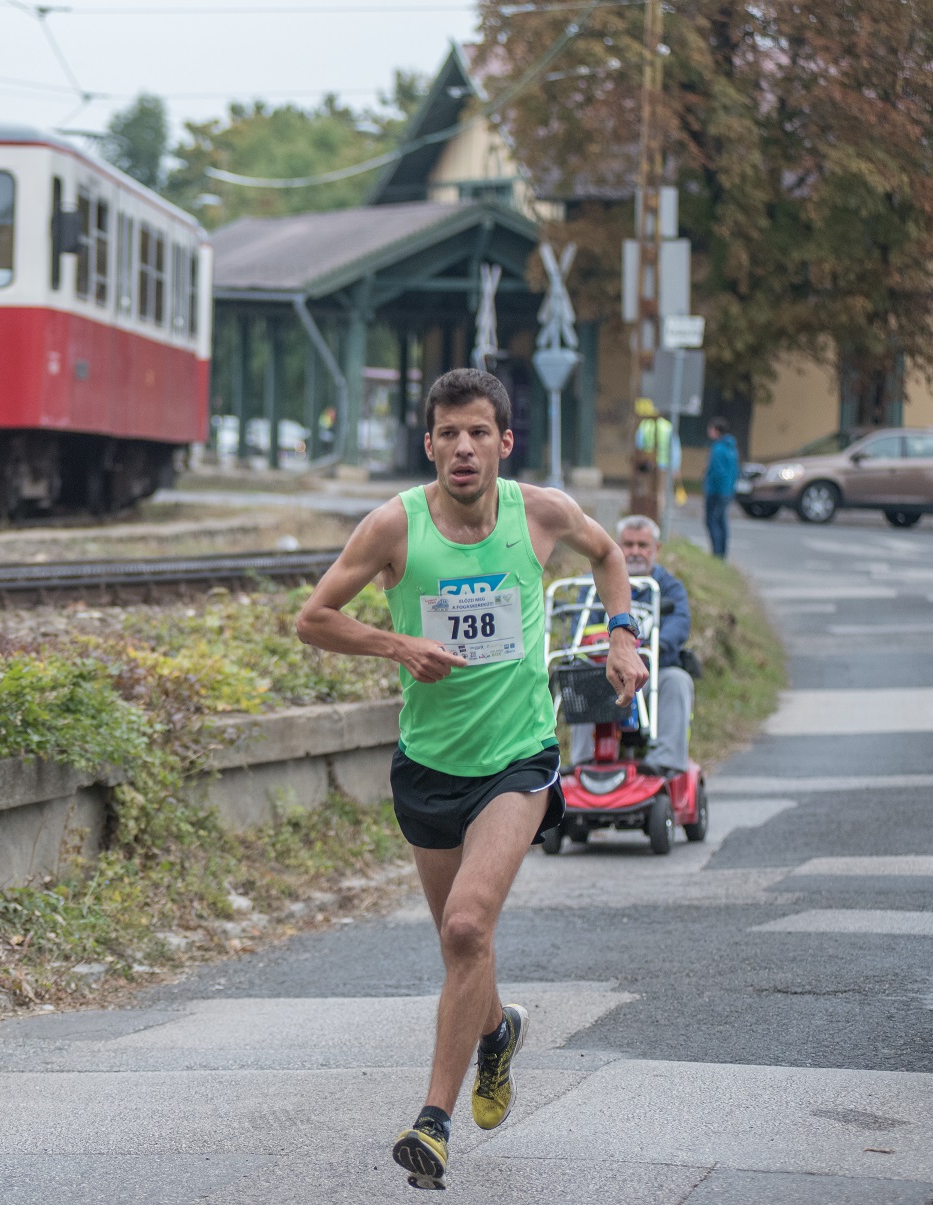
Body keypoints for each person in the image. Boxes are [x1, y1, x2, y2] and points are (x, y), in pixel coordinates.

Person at [296, 368, 647, 1191]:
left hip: (516, 758)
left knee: (463, 929)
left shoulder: (541, 513)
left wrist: (622, 635)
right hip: (427, 765)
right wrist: (397, 646)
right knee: (465, 948)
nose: (462, 447)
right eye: (447, 433)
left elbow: (607, 556)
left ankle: (433, 1123)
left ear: (503, 443)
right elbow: (313, 618)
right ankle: (496, 1031)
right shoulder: (393, 527)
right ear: (428, 445)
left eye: (477, 432)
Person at [568, 515, 694, 778]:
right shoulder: (592, 584)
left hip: (650, 674)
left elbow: (679, 624)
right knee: (577, 678)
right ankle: (584, 763)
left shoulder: (669, 587)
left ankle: (664, 764)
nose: (635, 552)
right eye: (629, 545)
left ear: (655, 549)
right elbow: (579, 626)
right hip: (604, 672)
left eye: (642, 545)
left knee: (678, 680)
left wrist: (644, 649)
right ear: (617, 545)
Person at [635, 398, 681, 522]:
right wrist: (676, 467)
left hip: (647, 464)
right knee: (660, 492)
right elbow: (675, 449)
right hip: (664, 465)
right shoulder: (667, 427)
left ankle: (645, 514)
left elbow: (638, 445)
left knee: (646, 489)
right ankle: (658, 516)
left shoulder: (644, 426)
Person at [703, 417, 739, 559]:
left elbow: (717, 471)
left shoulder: (718, 448)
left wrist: (710, 484)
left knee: (712, 520)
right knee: (722, 520)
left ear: (716, 430)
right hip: (727, 490)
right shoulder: (731, 447)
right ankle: (722, 551)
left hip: (716, 490)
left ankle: (716, 551)